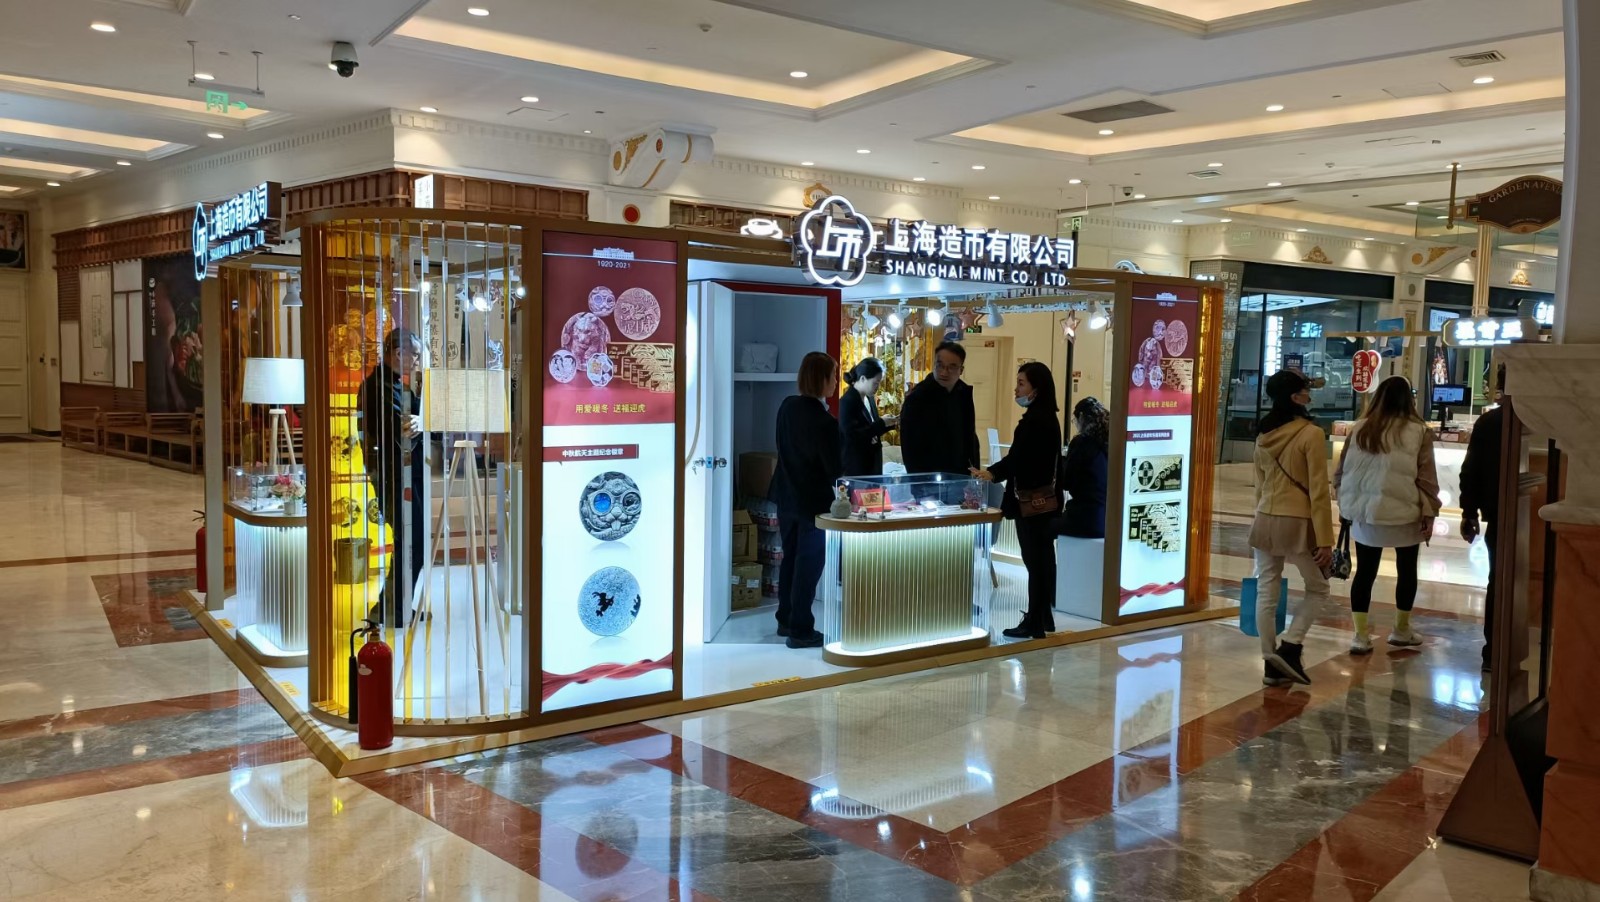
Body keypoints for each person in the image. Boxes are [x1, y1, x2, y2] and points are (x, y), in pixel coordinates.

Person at [1335, 375, 1442, 654]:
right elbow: (1427, 479)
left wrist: (1345, 506)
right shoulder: (1419, 431)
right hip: (1405, 513)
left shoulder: (1359, 429)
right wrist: (1430, 512)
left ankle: (1360, 636)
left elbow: (1341, 471)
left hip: (1365, 515)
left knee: (1365, 573)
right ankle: (1401, 630)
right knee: (1406, 571)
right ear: (1409, 400)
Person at [1250, 370, 1335, 686]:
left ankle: (1269, 662)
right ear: (1295, 398)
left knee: (1266, 589)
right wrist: (1325, 539)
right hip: (1296, 521)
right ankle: (1290, 645)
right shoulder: (1311, 434)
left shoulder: (1263, 434)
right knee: (1318, 587)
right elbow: (1318, 491)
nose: (1309, 396)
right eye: (1304, 391)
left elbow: (1259, 485)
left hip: (1264, 517)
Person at [974, 362, 1063, 640]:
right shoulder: (1048, 418)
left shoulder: (1035, 421)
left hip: (1032, 504)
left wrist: (992, 472)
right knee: (1042, 561)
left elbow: (1018, 459)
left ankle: (1034, 621)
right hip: (1045, 503)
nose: (1016, 389)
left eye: (1022, 383)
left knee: (1035, 562)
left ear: (1036, 389)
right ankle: (1043, 617)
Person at [768, 352, 843, 650]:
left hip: (786, 495)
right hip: (813, 502)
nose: (836, 381)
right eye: (833, 375)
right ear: (822, 379)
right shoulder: (825, 422)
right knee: (808, 566)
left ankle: (785, 619)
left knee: (790, 559)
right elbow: (834, 469)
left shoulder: (787, 406)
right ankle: (801, 629)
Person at [359, 328, 426, 627]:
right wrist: (421, 423)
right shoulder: (379, 387)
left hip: (399, 474)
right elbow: (401, 431)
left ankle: (392, 606)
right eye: (415, 355)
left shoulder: (392, 384)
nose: (417, 361)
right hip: (394, 477)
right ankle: (394, 609)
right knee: (413, 542)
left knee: (410, 542)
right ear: (399, 354)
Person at [1459, 368, 1506, 672]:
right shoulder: (1541, 423)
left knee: (1497, 581)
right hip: (1532, 519)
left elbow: (1470, 471)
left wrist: (1469, 513)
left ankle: (1493, 651)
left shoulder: (1489, 422)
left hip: (1497, 517)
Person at [899, 341, 980, 475]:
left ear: (961, 370)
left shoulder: (963, 393)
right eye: (940, 365)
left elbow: (970, 436)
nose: (944, 372)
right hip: (928, 476)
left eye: (951, 367)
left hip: (961, 474)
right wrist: (918, 479)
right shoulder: (918, 397)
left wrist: (974, 469)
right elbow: (909, 445)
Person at [1059, 397, 1110, 539]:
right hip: (1108, 519)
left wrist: (1062, 463)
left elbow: (1067, 482)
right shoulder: (1109, 441)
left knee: (1042, 529)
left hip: (1084, 518)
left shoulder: (1081, 443)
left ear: (1081, 417)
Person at [839, 357, 897, 476]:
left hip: (872, 465)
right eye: (875, 383)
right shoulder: (847, 402)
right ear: (863, 379)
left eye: (879, 383)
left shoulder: (869, 398)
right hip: (857, 467)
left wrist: (889, 423)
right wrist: (882, 423)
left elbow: (871, 430)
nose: (877, 387)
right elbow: (853, 436)